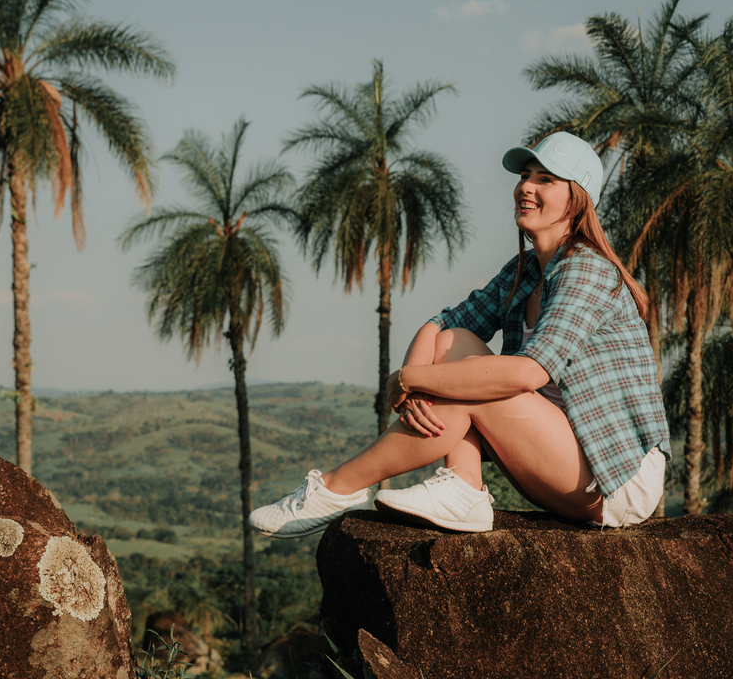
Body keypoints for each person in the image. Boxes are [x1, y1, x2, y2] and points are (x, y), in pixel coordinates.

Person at [249, 132, 670, 538]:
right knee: (454, 344)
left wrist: (408, 380)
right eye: (525, 175)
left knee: (482, 378)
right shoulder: (522, 272)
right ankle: (464, 486)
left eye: (545, 179)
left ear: (577, 200)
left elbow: (528, 374)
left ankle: (339, 487)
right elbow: (443, 325)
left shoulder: (587, 269)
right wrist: (411, 385)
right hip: (559, 457)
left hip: (616, 478)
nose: (526, 187)